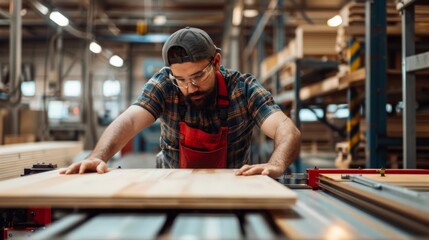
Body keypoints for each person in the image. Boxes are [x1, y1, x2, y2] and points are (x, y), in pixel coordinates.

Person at [60, 27, 301, 178]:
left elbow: (285, 128)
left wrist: (276, 163)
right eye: (181, 80)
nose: (190, 88)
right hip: (171, 187)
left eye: (197, 76)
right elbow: (131, 121)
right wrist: (98, 156)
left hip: (231, 188)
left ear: (216, 62)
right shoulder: (165, 83)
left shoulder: (243, 88)